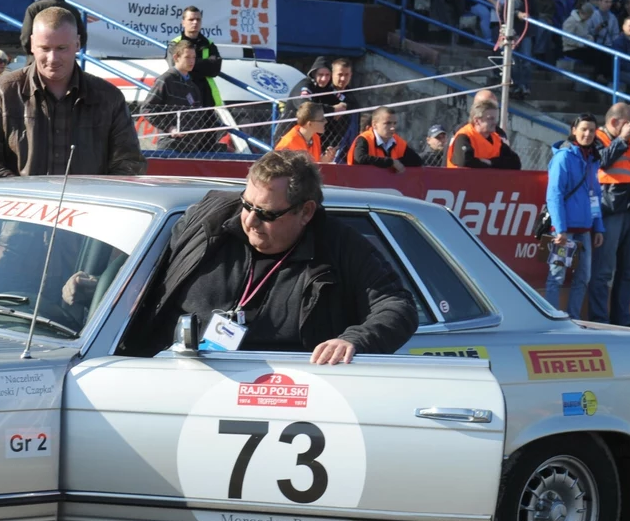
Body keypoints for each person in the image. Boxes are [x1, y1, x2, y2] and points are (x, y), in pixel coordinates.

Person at [124, 150, 418, 363]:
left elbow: (397, 306)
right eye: (246, 205)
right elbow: (140, 281)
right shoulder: (205, 222)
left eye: (266, 214)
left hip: (284, 394)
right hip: (174, 378)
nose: (250, 221)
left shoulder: (340, 246)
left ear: (306, 212)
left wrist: (354, 341)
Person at [0, 7, 146, 178]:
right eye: (45, 48)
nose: (53, 58)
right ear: (32, 44)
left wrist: (95, 197)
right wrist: (23, 196)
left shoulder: (109, 98)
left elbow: (129, 163)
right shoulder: (1, 93)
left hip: (87, 203)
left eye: (62, 48)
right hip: (17, 203)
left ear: (78, 43)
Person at [589, 103, 630, 325]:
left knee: (629, 271)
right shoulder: (596, 137)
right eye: (629, 123)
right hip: (610, 210)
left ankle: (622, 321)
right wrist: (623, 140)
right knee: (604, 271)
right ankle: (598, 320)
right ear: (615, 122)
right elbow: (602, 160)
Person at [544, 114, 605, 319]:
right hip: (565, 231)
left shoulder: (593, 158)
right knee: (556, 276)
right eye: (583, 129)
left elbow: (595, 195)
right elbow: (554, 195)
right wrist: (559, 228)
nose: (587, 134)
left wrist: (598, 226)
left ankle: (574, 319)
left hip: (585, 230)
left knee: (583, 278)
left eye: (591, 130)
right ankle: (552, 320)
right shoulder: (563, 157)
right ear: (574, 130)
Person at [141, 39, 222, 154]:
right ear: (176, 58)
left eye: (194, 57)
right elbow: (147, 109)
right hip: (170, 146)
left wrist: (198, 136)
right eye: (187, 57)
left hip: (191, 148)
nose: (192, 61)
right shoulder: (165, 80)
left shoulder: (192, 86)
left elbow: (198, 115)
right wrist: (170, 128)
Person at [168, 6, 222, 109]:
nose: (195, 22)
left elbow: (215, 69)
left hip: (206, 97)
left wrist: (189, 64)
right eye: (191, 19)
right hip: (182, 96)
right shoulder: (174, 44)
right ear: (183, 22)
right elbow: (176, 68)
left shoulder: (208, 44)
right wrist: (205, 65)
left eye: (198, 19)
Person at [19, 0, 85, 54]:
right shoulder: (72, 10)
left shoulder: (33, 9)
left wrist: (34, 53)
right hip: (66, 61)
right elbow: (82, 37)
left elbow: (26, 38)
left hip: (37, 60)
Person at [447, 99, 522, 168]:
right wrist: (495, 165)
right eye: (490, 119)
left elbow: (515, 163)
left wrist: (489, 162)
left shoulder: (496, 139)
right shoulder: (464, 136)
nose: (495, 122)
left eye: (495, 119)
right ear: (477, 121)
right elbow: (464, 161)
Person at [347, 107, 424, 172]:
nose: (392, 127)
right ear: (374, 125)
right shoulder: (364, 139)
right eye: (388, 123)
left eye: (394, 123)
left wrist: (397, 163)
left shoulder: (397, 141)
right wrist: (391, 162)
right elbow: (360, 158)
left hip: (385, 185)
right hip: (359, 185)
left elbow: (417, 161)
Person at [283, 56, 329, 121]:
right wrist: (332, 109)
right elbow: (306, 106)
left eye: (327, 75)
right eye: (320, 75)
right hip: (291, 129)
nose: (324, 79)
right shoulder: (305, 85)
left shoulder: (327, 88)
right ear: (314, 74)